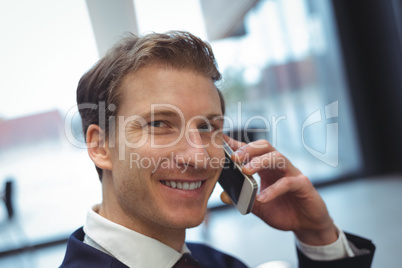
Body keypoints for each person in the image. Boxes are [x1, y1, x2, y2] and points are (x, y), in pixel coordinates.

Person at [60, 31, 375, 268]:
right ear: (101, 147)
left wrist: (317, 235)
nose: (197, 156)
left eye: (208, 127)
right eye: (159, 124)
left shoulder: (214, 262)